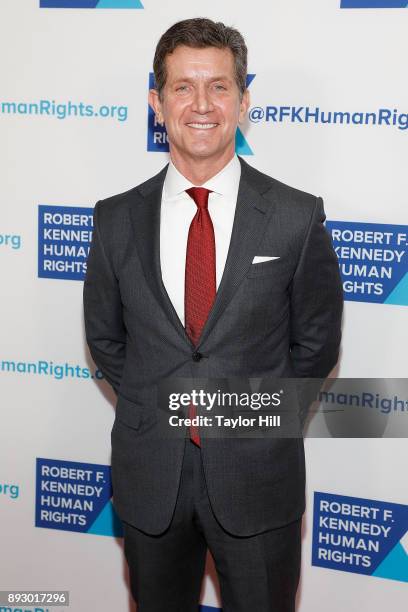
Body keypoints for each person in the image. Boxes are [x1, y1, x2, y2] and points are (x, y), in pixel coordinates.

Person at [83, 17, 343, 612]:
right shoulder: (115, 219)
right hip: (152, 480)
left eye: (219, 86)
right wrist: (163, 405)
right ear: (157, 102)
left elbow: (316, 348)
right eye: (182, 86)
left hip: (258, 480)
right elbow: (106, 339)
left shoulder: (295, 217)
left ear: (243, 100)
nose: (201, 104)